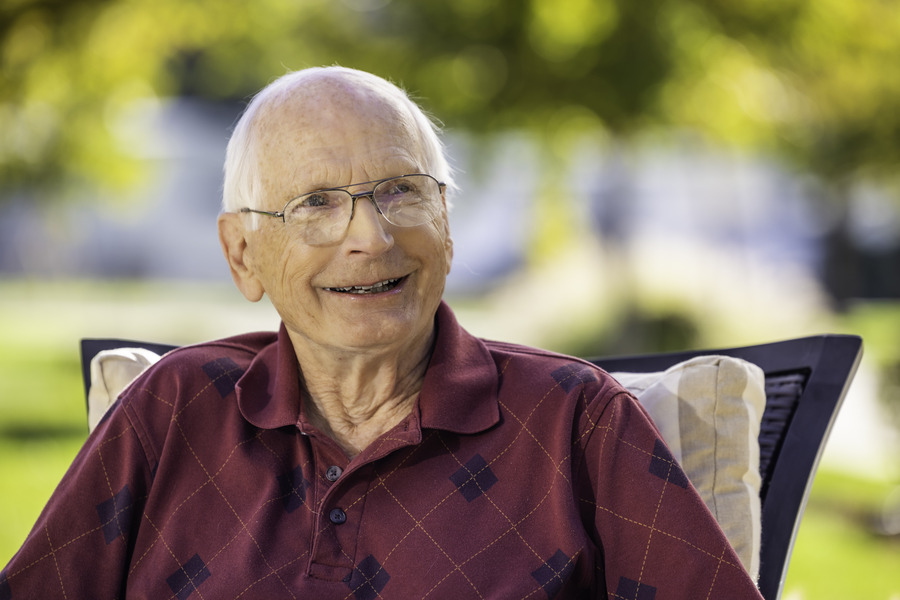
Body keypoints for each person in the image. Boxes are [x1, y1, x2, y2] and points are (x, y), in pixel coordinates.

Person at [1, 66, 764, 599]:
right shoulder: (172, 408)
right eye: (316, 204)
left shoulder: (575, 421)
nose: (368, 236)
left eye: (400, 191)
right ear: (243, 254)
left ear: (446, 224)